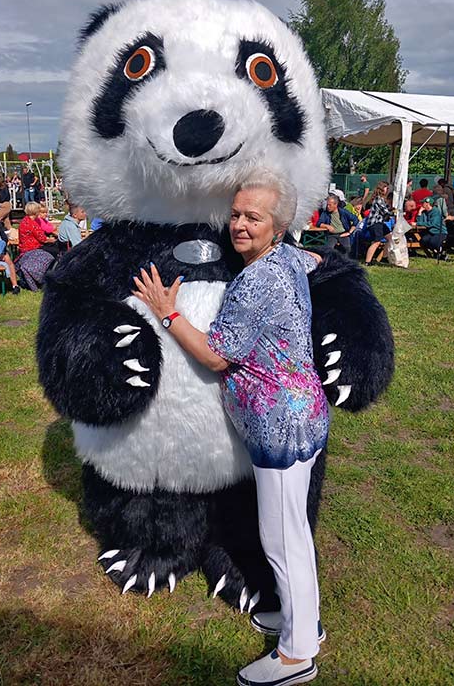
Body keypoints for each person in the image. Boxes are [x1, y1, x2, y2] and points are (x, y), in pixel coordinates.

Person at [132, 168, 328, 686]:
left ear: (278, 227)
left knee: (282, 539)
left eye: (253, 218)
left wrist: (168, 313)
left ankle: (295, 654)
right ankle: (303, 620)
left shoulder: (257, 280)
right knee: (293, 532)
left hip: (279, 426)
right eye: (236, 214)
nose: (239, 225)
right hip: (303, 415)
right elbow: (313, 260)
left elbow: (218, 356)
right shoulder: (289, 259)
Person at [364, 180, 393, 266]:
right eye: (385, 187)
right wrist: (394, 213)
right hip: (375, 223)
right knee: (377, 242)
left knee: (390, 238)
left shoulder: (382, 199)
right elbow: (385, 212)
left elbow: (387, 209)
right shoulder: (378, 199)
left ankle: (384, 257)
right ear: (381, 188)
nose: (387, 189)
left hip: (380, 222)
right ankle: (367, 261)